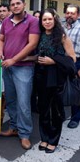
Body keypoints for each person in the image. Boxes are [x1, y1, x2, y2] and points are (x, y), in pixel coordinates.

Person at [0, 0, 40, 150]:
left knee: (23, 103)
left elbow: (32, 44)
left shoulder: (33, 21)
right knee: (11, 100)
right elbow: (1, 39)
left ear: (24, 4)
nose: (15, 6)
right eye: (12, 4)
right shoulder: (6, 21)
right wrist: (0, 52)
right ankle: (14, 128)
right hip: (7, 66)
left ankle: (25, 134)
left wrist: (13, 60)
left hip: (23, 67)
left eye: (18, 3)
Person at [34, 8, 76, 153]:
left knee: (56, 110)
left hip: (56, 77)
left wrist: (53, 61)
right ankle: (44, 138)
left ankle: (53, 140)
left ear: (55, 19)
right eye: (44, 19)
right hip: (40, 77)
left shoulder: (62, 36)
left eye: (49, 19)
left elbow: (72, 59)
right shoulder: (39, 35)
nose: (47, 22)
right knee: (43, 109)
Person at [63, 4, 80, 129]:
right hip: (63, 61)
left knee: (76, 91)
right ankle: (62, 114)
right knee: (63, 88)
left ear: (78, 15)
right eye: (68, 13)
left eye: (72, 13)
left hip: (77, 61)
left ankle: (75, 118)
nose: (69, 15)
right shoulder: (62, 27)